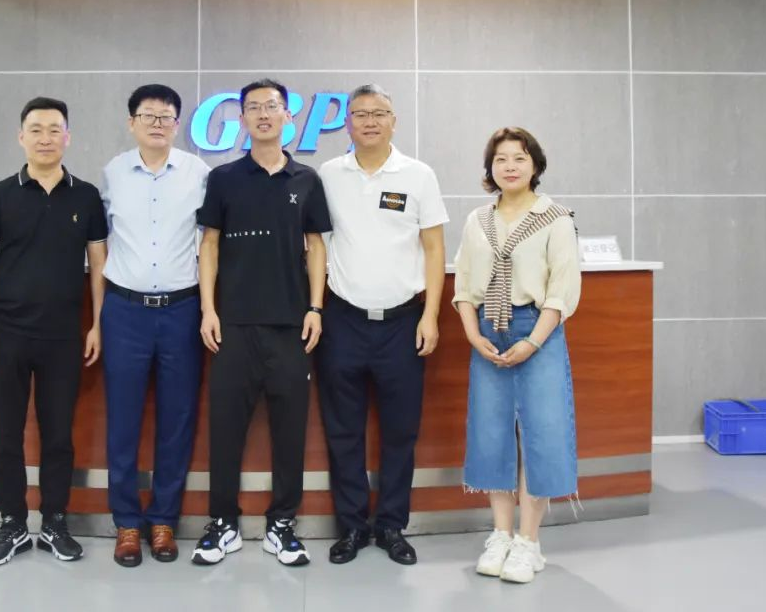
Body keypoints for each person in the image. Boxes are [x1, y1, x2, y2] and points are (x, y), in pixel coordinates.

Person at [191, 78, 332, 567]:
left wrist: (315, 308)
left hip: (291, 327)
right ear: (243, 118)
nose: (263, 114)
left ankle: (281, 525)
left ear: (287, 115)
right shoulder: (224, 178)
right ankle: (223, 524)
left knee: (290, 431)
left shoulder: (306, 179)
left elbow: (317, 246)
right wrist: (208, 310)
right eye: (254, 107)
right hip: (232, 326)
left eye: (272, 106)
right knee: (225, 429)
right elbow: (209, 245)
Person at [0, 96, 107, 566]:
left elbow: (99, 266)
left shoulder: (86, 196)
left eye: (54, 129)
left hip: (63, 337)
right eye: (36, 129)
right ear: (21, 137)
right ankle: (12, 524)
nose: (45, 138)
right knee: (4, 435)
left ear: (68, 137)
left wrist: (97, 324)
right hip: (3, 335)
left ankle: (54, 523)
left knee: (58, 436)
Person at [317, 84, 448, 565]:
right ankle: (352, 526)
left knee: (400, 431)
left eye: (379, 113)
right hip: (342, 320)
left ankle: (392, 525)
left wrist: (430, 315)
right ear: (347, 123)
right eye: (360, 114)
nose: (369, 121)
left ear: (394, 121)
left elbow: (434, 248)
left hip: (403, 322)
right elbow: (317, 244)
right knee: (343, 431)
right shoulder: (329, 174)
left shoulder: (418, 175)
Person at [451, 126, 581, 584]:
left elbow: (562, 290)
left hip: (537, 332)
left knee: (541, 433)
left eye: (519, 158)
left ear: (535, 165)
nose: (510, 166)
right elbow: (463, 284)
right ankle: (501, 535)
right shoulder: (477, 220)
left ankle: (529, 543)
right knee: (491, 434)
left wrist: (533, 341)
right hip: (488, 332)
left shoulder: (555, 218)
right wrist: (472, 334)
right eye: (501, 159)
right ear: (490, 168)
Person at [99, 84, 209, 567]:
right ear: (132, 123)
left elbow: (210, 243)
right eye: (148, 115)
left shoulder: (199, 173)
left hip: (182, 310)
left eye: (166, 116)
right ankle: (126, 522)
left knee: (177, 420)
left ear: (178, 124)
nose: (158, 123)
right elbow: (100, 243)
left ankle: (163, 519)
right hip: (125, 311)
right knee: (122, 420)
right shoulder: (113, 173)